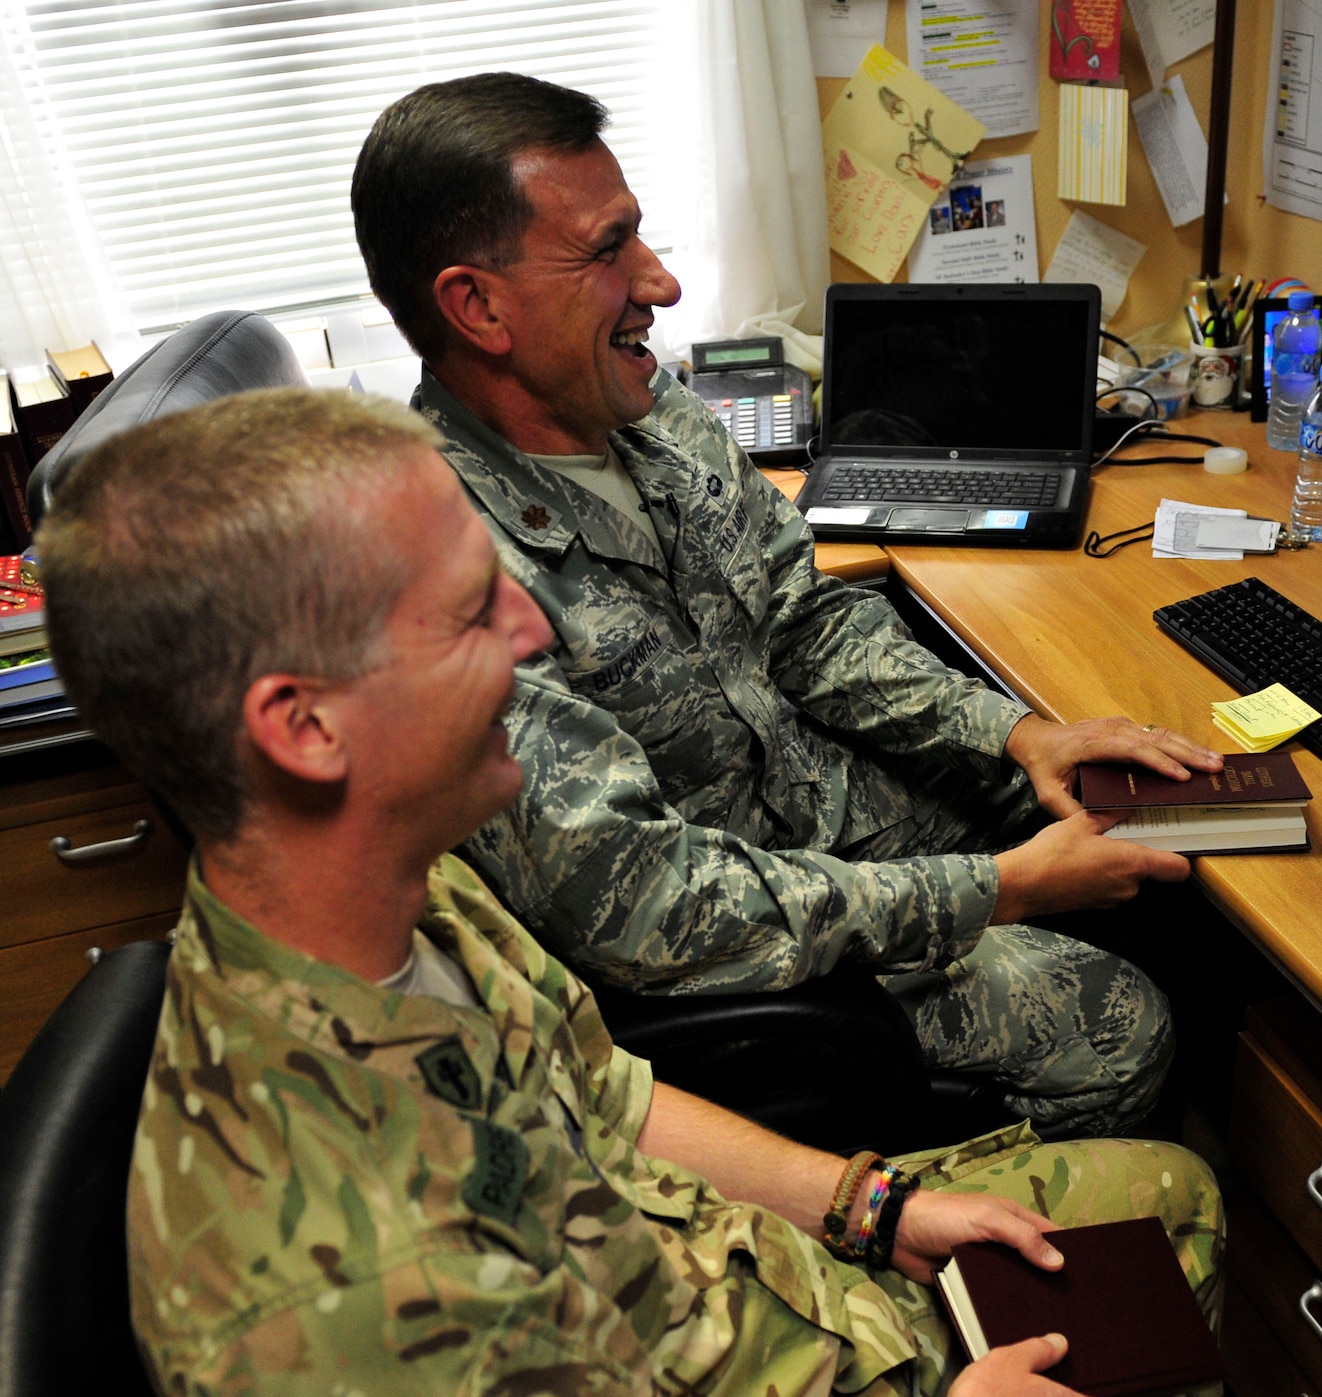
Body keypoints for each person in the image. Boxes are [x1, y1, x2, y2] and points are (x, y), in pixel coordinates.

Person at [40, 388, 1223, 1397]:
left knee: (1168, 1196)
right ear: (305, 728)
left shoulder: (401, 888)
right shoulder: (358, 1306)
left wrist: (868, 1208)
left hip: (744, 1292)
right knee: (1169, 1232)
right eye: (470, 611)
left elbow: (606, 1096)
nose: (532, 631)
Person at [348, 72, 1225, 1139]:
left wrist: (1015, 733)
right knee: (1120, 1026)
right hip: (739, 945)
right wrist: (997, 888)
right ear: (477, 306)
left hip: (836, 810)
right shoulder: (442, 578)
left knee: (1139, 812)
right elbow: (647, 905)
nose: (661, 282)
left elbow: (804, 623)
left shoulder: (651, 411)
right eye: (608, 250)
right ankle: (996, 1219)